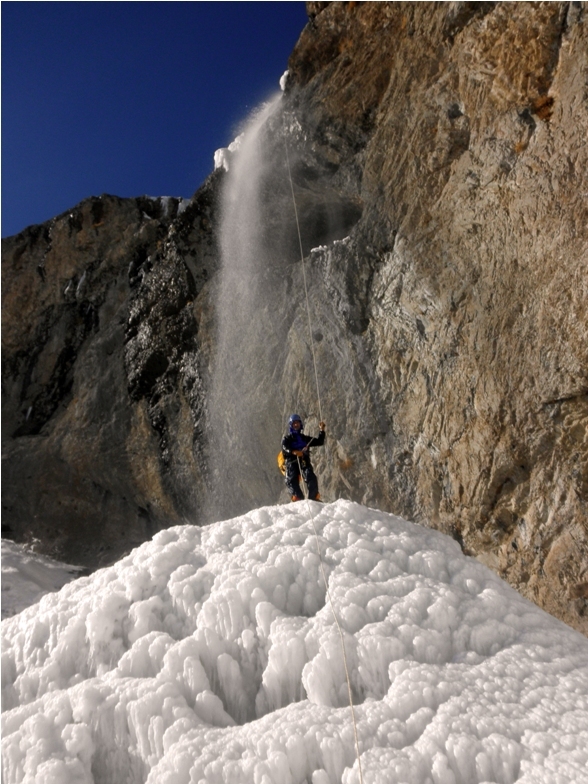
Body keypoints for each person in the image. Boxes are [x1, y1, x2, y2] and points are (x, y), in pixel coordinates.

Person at [281, 414, 326, 501]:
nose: (296, 425)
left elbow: (319, 441)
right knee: (292, 479)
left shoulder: (304, 438)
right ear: (291, 425)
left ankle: (313, 497)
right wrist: (294, 452)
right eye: (294, 423)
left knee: (311, 477)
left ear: (300, 424)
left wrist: (322, 430)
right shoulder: (287, 438)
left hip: (304, 461)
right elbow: (284, 448)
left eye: (297, 423)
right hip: (291, 462)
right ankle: (297, 497)